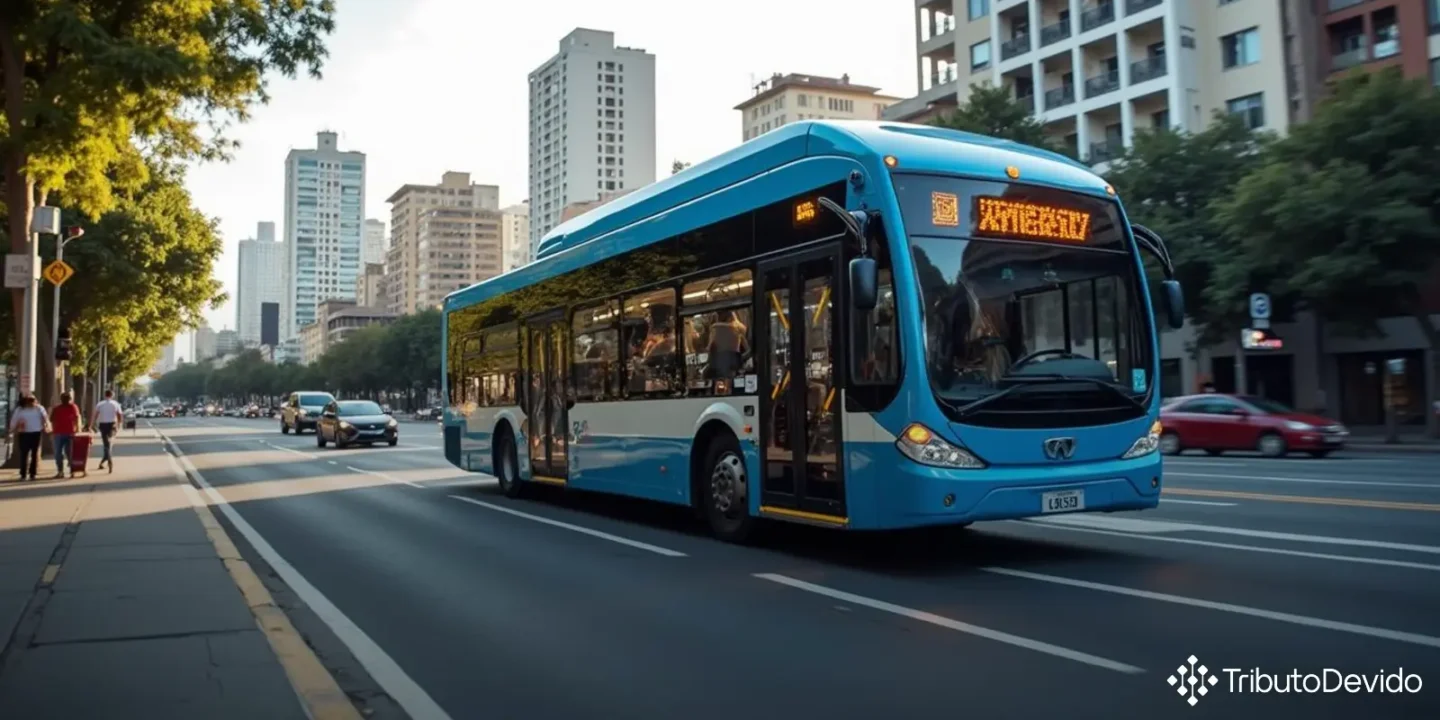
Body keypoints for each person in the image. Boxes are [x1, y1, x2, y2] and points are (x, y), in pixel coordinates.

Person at [8, 394, 49, 481]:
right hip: (23, 433)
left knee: (34, 454)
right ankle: (23, 474)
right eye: (30, 401)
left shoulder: (39, 408)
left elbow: (45, 417)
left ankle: (32, 473)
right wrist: (11, 429)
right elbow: (14, 420)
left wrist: (47, 426)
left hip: (36, 433)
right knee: (24, 454)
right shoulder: (20, 409)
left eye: (33, 401)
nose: (32, 403)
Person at [49, 392, 81, 479]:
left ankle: (70, 470)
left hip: (68, 433)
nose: (66, 400)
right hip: (60, 432)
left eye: (67, 399)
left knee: (68, 452)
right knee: (59, 453)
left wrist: (77, 428)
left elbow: (77, 417)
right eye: (64, 399)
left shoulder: (73, 407)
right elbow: (51, 419)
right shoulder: (57, 408)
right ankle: (61, 471)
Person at [91, 390, 123, 472]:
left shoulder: (100, 404)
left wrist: (92, 425)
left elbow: (95, 415)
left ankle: (104, 461)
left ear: (105, 395)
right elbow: (119, 415)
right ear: (112, 395)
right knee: (108, 444)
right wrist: (119, 424)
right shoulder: (115, 404)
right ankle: (109, 462)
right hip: (112, 425)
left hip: (103, 425)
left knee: (106, 444)